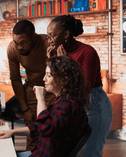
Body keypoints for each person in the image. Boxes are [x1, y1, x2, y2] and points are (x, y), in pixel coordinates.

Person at [0, 55, 91, 157]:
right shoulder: (63, 101)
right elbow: (39, 126)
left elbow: (45, 129)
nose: (44, 79)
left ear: (62, 79)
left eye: (48, 75)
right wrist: (12, 132)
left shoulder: (67, 105)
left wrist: (40, 98)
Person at [46, 15, 113, 157]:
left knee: (90, 152)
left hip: (93, 105)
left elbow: (84, 88)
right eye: (48, 36)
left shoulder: (87, 52)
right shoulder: (58, 52)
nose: (49, 40)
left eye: (52, 35)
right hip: (71, 104)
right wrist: (53, 61)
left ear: (66, 34)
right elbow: (58, 84)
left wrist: (66, 61)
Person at [7, 19, 56, 150]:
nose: (19, 47)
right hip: (32, 89)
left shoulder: (48, 44)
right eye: (16, 42)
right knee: (33, 134)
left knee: (52, 131)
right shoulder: (13, 49)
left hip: (52, 89)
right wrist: (25, 109)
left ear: (33, 37)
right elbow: (15, 79)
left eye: (23, 43)